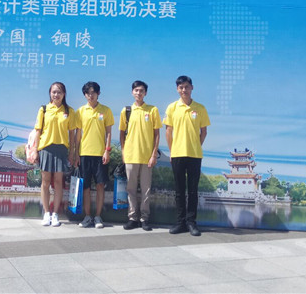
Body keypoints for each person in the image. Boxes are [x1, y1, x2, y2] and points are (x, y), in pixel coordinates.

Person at [164, 75, 210, 236]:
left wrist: (196, 145)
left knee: (192, 191)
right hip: (177, 154)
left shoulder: (200, 108)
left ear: (192, 88)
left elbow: (204, 132)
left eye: (187, 87)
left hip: (195, 155)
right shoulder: (172, 108)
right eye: (181, 87)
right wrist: (172, 151)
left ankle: (191, 222)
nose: (184, 90)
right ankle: (180, 222)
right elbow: (168, 131)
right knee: (179, 190)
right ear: (177, 89)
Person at [33, 82, 77, 227]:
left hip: (61, 150)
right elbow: (38, 131)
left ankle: (55, 214)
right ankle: (46, 213)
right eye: (53, 92)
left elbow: (72, 134)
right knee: (45, 182)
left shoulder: (69, 111)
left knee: (58, 182)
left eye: (59, 92)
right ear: (50, 93)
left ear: (64, 94)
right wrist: (35, 150)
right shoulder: (44, 109)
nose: (56, 95)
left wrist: (72, 153)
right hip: (46, 148)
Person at [119, 80, 161, 231]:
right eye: (136, 90)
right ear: (132, 92)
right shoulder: (126, 111)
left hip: (147, 157)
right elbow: (121, 133)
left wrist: (154, 154)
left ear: (145, 93)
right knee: (130, 189)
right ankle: (132, 218)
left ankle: (144, 218)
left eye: (141, 90)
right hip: (130, 155)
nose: (139, 93)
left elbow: (157, 134)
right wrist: (123, 152)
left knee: (146, 190)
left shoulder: (152, 110)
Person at [74, 81, 114, 229]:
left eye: (93, 92)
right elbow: (78, 135)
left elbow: (108, 133)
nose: (90, 95)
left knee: (100, 185)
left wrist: (107, 150)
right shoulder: (80, 111)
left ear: (98, 93)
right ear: (85, 95)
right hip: (84, 154)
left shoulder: (106, 110)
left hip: (100, 154)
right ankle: (87, 217)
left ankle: (98, 217)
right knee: (85, 187)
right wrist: (76, 154)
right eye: (88, 93)